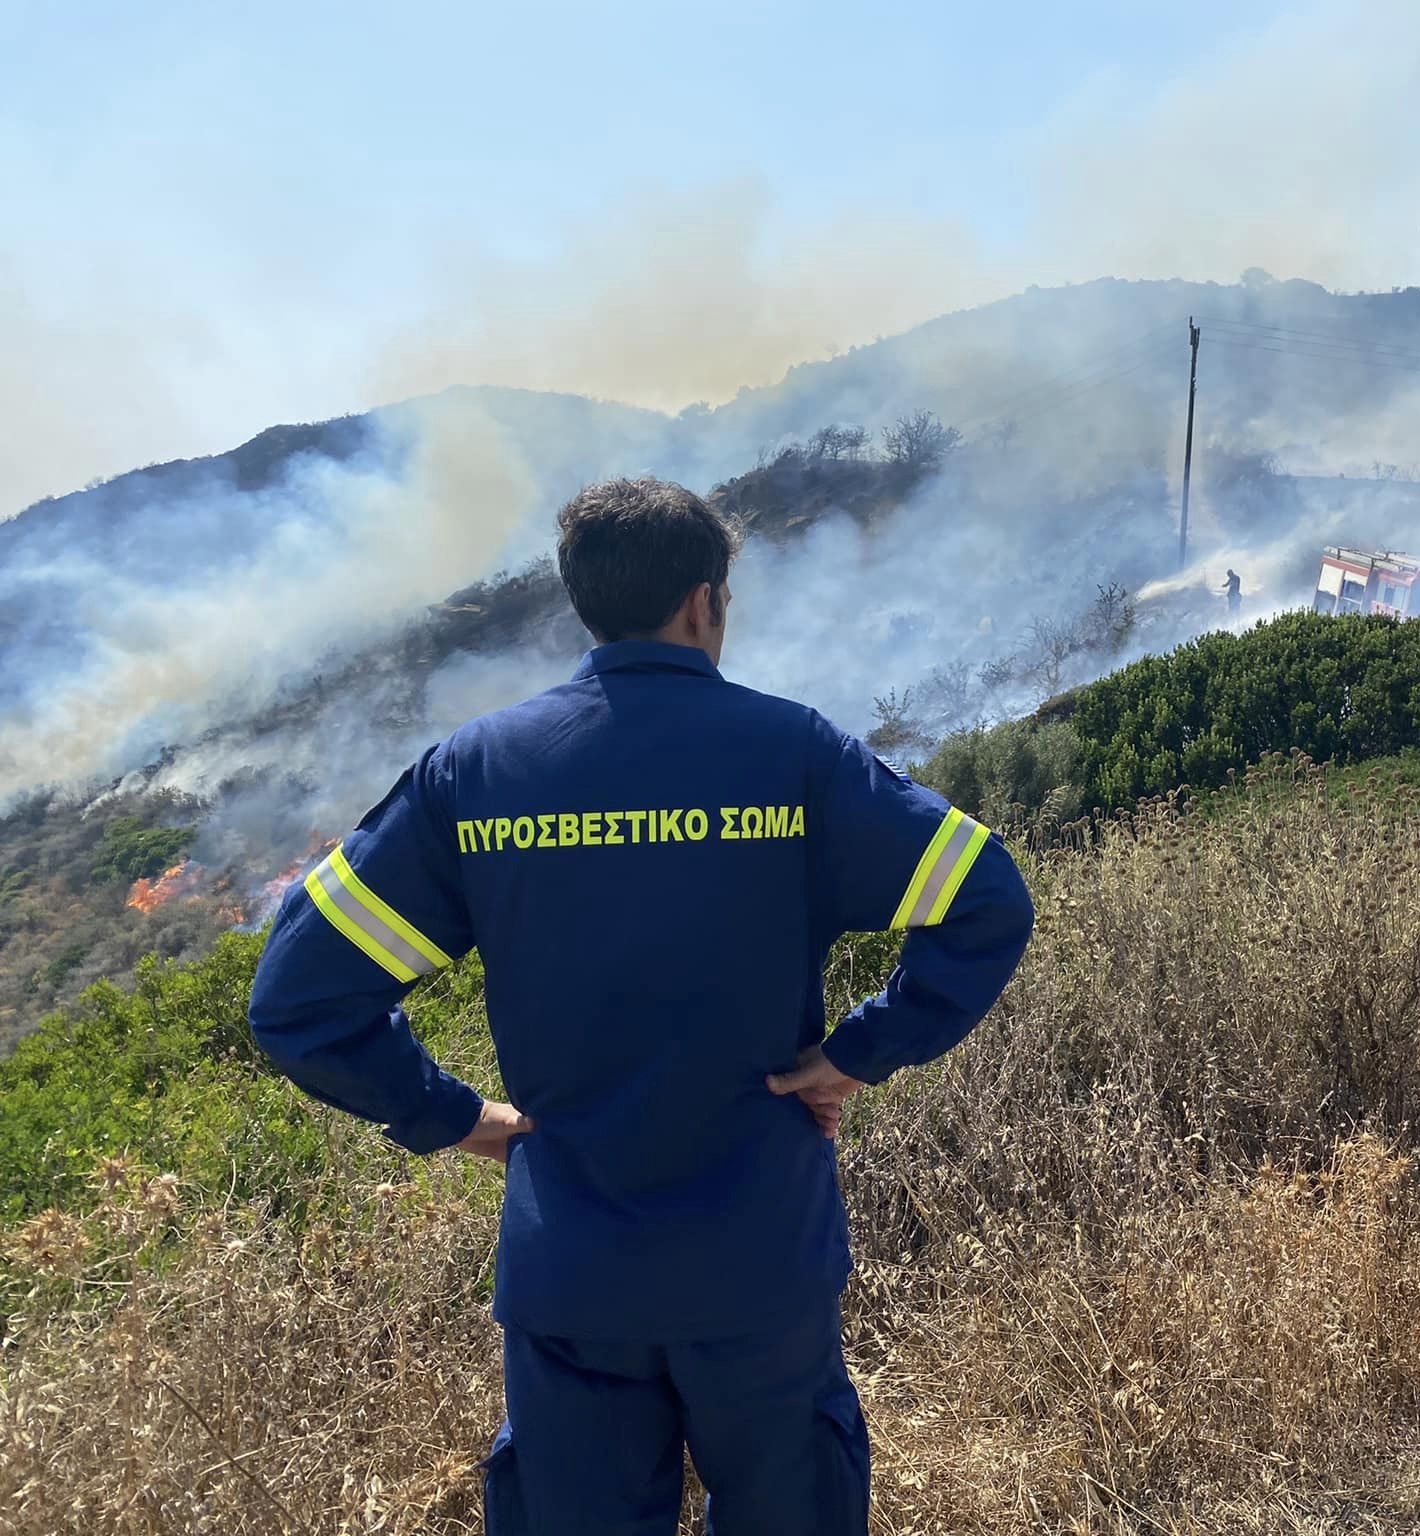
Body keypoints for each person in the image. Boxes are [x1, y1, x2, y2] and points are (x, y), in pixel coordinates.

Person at [246, 478, 1036, 1535]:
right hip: (760, 1263)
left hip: (572, 1274)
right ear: (705, 603)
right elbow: (986, 900)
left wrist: (454, 1119)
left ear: (586, 604)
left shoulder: (474, 777)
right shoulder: (793, 756)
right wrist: (858, 1052)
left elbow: (298, 998)